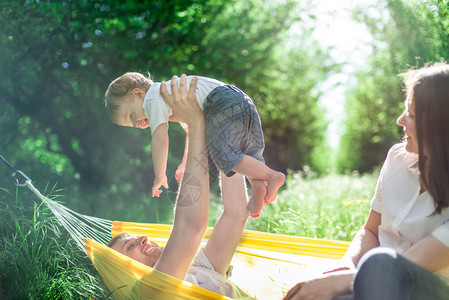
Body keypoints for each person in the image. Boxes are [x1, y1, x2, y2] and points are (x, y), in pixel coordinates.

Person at [284, 63, 449, 300]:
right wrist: (345, 267)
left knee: (376, 263)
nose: (400, 120)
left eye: (411, 115)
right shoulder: (397, 158)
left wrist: (342, 281)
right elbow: (371, 230)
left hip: (429, 291)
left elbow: (399, 266)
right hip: (375, 284)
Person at [107, 75, 250, 299]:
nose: (143, 238)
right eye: (129, 247)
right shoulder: (151, 293)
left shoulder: (198, 270)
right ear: (124, 274)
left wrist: (224, 141)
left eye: (134, 238)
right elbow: (190, 228)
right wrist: (195, 122)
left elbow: (236, 213)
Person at [104, 72, 285, 218]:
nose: (136, 124)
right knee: (245, 151)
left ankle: (271, 175)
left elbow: (160, 138)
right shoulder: (171, 99)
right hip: (240, 99)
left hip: (222, 101)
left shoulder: (152, 98)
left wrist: (159, 175)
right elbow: (192, 131)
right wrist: (184, 162)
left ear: (138, 94)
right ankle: (258, 186)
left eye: (131, 116)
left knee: (222, 155)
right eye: (130, 124)